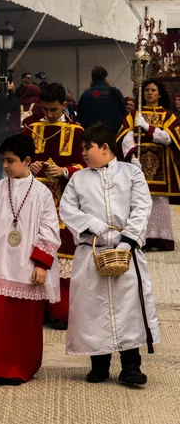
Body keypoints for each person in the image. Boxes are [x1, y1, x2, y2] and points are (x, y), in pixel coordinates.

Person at [60, 123, 160, 385]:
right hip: (92, 251)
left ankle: (130, 365)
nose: (83, 153)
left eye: (87, 148)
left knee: (128, 308)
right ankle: (99, 363)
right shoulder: (78, 178)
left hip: (124, 251)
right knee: (93, 307)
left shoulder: (131, 173)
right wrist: (89, 224)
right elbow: (67, 209)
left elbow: (141, 206)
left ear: (105, 148)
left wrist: (127, 241)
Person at [0, 134, 61, 387]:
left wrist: (41, 263)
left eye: (10, 161)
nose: (4, 166)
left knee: (21, 323)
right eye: (3, 160)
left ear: (27, 160)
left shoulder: (42, 193)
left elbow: (49, 230)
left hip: (27, 266)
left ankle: (18, 368)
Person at [23, 83, 84, 330]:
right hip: (34, 200)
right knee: (32, 251)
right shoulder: (30, 129)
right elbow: (16, 161)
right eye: (44, 109)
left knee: (64, 252)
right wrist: (30, 167)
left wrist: (65, 170)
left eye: (53, 109)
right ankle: (34, 309)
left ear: (65, 106)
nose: (48, 114)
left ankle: (60, 311)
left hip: (65, 201)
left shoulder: (77, 132)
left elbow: (87, 165)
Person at [117, 79, 180, 251]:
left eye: (153, 90)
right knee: (138, 201)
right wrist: (131, 157)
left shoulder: (168, 115)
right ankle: (140, 238)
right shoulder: (134, 114)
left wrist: (147, 128)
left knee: (159, 201)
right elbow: (125, 136)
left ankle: (160, 239)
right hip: (139, 164)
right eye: (146, 90)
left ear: (159, 93)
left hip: (161, 166)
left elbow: (169, 138)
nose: (149, 93)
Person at [77, 66, 127, 134]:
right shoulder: (114, 92)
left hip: (91, 134)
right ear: (105, 77)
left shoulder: (85, 95)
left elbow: (80, 117)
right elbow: (124, 112)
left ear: (92, 78)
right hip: (112, 134)